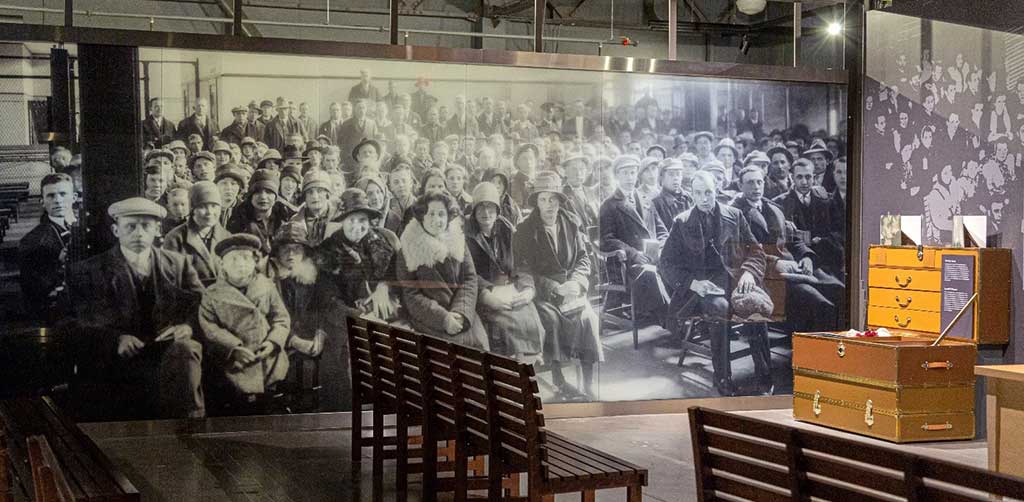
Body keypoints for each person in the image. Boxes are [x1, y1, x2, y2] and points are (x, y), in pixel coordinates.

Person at [68, 197, 205, 419]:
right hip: (117, 359)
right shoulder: (88, 271)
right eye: (130, 226)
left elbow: (202, 305)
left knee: (187, 351)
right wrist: (116, 340)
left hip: (167, 354)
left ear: (157, 230)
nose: (139, 233)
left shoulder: (179, 264)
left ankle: (190, 432)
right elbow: (74, 323)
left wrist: (187, 327)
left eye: (146, 226)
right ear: (116, 230)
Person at [658, 171, 766, 397]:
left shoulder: (735, 215)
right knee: (720, 308)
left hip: (736, 281)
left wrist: (748, 273)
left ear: (716, 188)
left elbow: (756, 251)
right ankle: (723, 376)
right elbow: (666, 264)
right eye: (698, 193)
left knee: (756, 305)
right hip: (701, 290)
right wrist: (693, 284)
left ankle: (764, 376)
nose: (704, 198)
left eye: (708, 192)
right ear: (692, 194)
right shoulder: (682, 222)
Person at [731, 166, 837, 391]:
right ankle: (808, 371)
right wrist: (776, 262)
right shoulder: (733, 213)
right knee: (819, 304)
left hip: (794, 270)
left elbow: (795, 238)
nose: (755, 187)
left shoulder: (773, 208)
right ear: (740, 185)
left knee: (838, 290)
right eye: (749, 182)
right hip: (763, 278)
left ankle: (819, 365)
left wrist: (806, 256)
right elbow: (740, 253)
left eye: (759, 182)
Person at [513, 171, 601, 401]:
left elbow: (583, 257)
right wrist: (553, 287)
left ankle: (589, 383)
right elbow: (524, 269)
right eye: (543, 199)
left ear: (560, 200)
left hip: (572, 288)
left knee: (588, 319)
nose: (548, 205)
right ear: (537, 202)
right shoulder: (524, 230)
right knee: (551, 321)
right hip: (545, 293)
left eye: (553, 199)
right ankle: (559, 378)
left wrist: (577, 282)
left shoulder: (571, 221)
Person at [199, 233, 290, 405]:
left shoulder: (267, 286)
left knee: (272, 403)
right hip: (232, 364)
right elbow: (209, 327)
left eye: (246, 258)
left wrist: (273, 342)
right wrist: (233, 348)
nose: (240, 264)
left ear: (254, 262)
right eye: (233, 259)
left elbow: (281, 319)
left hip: (268, 359)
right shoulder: (212, 294)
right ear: (221, 264)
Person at [268, 222, 347, 410]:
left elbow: (328, 306)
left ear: (305, 252)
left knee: (336, 363)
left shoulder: (314, 277)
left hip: (316, 339)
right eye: (285, 249)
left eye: (296, 249)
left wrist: (321, 334)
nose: (291, 254)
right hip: (284, 341)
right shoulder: (269, 281)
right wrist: (294, 340)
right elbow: (268, 318)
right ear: (277, 252)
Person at [396, 190, 488, 349]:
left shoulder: (458, 241)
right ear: (421, 216)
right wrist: (443, 319)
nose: (436, 220)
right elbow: (411, 294)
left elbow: (470, 279)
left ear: (448, 217)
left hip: (461, 311)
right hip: (429, 317)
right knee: (452, 353)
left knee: (480, 345)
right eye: (431, 214)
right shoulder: (408, 247)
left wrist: (460, 312)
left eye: (441, 214)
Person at [465, 182, 545, 360]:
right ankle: (512, 370)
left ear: (498, 210)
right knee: (506, 328)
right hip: (484, 294)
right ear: (474, 211)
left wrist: (527, 289)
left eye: (491, 208)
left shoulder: (507, 230)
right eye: (481, 209)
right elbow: (467, 273)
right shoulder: (466, 235)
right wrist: (487, 293)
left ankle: (526, 365)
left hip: (511, 290)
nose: (486, 214)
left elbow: (521, 264)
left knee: (530, 320)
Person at [599, 155, 669, 324]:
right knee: (650, 273)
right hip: (625, 263)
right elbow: (606, 239)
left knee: (678, 267)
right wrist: (633, 253)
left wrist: (661, 246)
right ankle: (668, 320)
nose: (630, 178)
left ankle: (681, 315)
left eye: (632, 172)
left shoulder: (646, 200)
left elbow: (662, 230)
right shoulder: (609, 205)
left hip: (653, 256)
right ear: (617, 176)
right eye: (625, 173)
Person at [317, 188, 399, 324]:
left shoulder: (384, 240)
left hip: (389, 312)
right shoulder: (328, 250)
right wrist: (359, 316)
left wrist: (384, 286)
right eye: (351, 220)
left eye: (362, 220)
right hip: (349, 320)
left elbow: (399, 275)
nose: (357, 226)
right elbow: (327, 298)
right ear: (342, 221)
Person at [19, 173, 77, 323]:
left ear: (74, 197)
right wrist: (59, 263)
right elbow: (33, 291)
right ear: (42, 202)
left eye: (63, 194)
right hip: (61, 312)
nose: (58, 200)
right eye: (51, 196)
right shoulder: (31, 242)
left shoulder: (87, 227)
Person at [162, 181, 232, 287]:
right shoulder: (175, 238)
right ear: (192, 209)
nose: (209, 212)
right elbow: (169, 280)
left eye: (214, 206)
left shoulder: (227, 237)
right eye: (202, 206)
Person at [227, 169, 295, 254]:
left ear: (275, 197)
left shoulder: (287, 218)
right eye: (257, 192)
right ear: (250, 196)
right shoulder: (239, 222)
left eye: (268, 192)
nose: (263, 197)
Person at [290, 170, 339, 246]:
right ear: (305, 197)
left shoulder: (339, 218)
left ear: (327, 194)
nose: (315, 196)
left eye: (319, 191)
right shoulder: (295, 222)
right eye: (310, 192)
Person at [651, 158, 693, 234]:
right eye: (671, 174)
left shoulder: (689, 198)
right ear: (661, 177)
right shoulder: (656, 203)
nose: (675, 178)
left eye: (678, 174)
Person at [214, 164, 247, 228]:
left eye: (233, 184)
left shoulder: (246, 210)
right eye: (224, 183)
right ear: (216, 186)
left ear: (239, 187)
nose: (229, 188)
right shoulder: (209, 208)